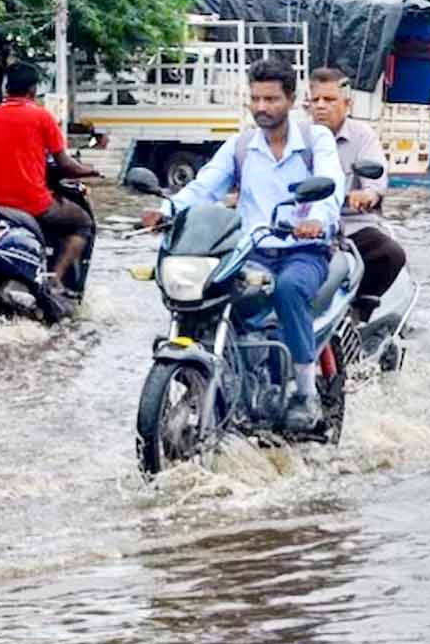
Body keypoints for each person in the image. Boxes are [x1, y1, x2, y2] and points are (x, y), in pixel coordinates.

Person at [141, 58, 344, 432]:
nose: (262, 108)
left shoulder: (317, 140)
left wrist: (316, 219)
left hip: (304, 249)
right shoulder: (241, 146)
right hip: (251, 249)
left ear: (291, 99)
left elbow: (330, 184)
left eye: (272, 99)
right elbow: (204, 188)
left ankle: (304, 393)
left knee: (288, 290)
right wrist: (165, 210)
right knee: (209, 295)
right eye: (256, 99)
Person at [0, 60, 100, 314]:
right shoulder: (41, 116)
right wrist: (89, 171)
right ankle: (56, 277)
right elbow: (65, 165)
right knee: (82, 223)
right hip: (34, 203)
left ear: (7, 88)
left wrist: (2, 173)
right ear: (32, 89)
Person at [305, 66, 406, 301]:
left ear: (347, 104)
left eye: (329, 99)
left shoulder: (362, 135)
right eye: (315, 99)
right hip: (305, 227)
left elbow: (375, 180)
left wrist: (368, 195)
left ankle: (360, 310)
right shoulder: (296, 136)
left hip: (350, 226)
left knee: (390, 254)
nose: (321, 106)